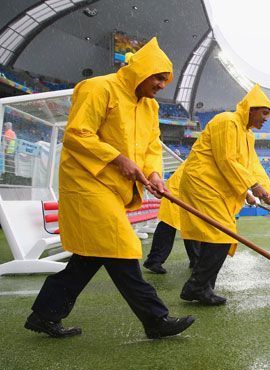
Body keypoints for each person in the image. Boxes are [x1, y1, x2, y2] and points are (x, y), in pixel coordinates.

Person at [25, 38, 194, 339]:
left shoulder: (150, 106)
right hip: (86, 182)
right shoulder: (98, 88)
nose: (161, 85)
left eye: (165, 80)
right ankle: (155, 319)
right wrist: (117, 159)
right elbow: (78, 134)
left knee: (90, 256)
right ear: (141, 71)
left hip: (114, 187)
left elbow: (151, 146)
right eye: (157, 77)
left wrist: (154, 173)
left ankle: (45, 314)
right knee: (123, 246)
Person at [178, 85, 270, 305]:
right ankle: (196, 286)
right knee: (224, 235)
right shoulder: (227, 121)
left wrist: (268, 192)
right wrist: (254, 187)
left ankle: (203, 288)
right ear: (251, 109)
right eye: (263, 113)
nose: (265, 119)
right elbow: (227, 160)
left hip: (215, 187)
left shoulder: (247, 135)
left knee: (219, 235)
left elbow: (253, 165)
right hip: (202, 182)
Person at [143, 161, 200, 274]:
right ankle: (154, 261)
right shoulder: (203, 160)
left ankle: (196, 260)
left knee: (189, 227)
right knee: (169, 226)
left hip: (184, 193)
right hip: (177, 193)